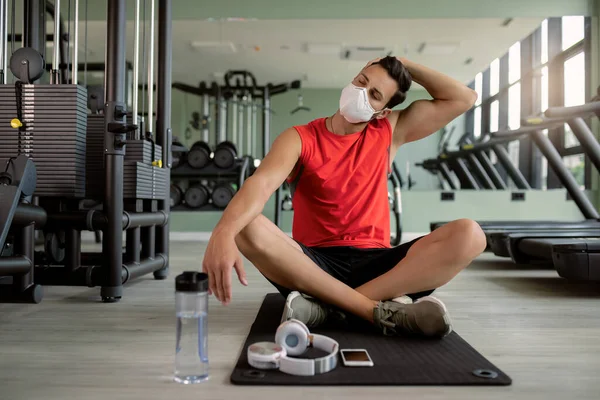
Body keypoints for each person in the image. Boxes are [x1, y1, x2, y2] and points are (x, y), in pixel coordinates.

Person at [201, 56, 487, 339]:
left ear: (382, 112)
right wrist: (223, 233)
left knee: (470, 234)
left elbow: (463, 98)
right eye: (361, 82)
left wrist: (403, 63)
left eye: (375, 95)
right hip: (312, 267)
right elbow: (260, 185)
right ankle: (372, 309)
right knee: (245, 225)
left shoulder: (390, 131)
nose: (361, 92)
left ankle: (326, 309)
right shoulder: (299, 137)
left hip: (380, 266)